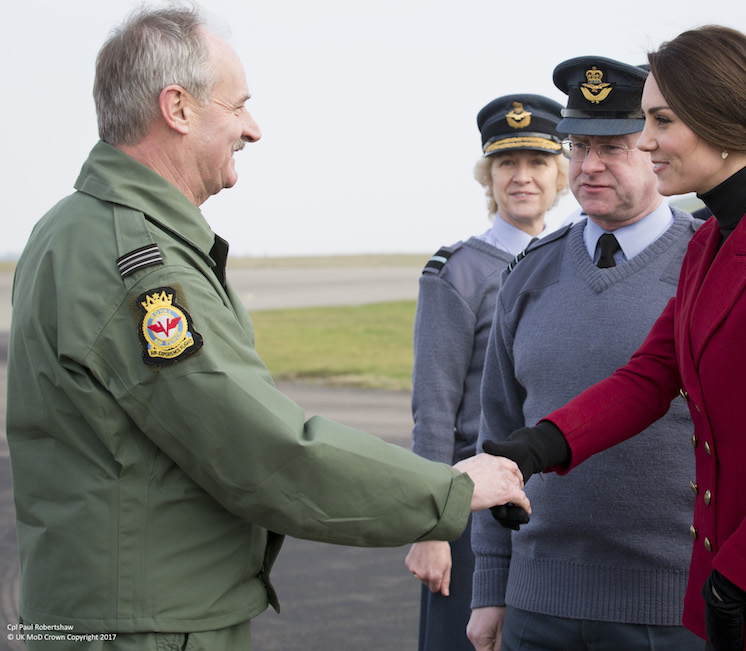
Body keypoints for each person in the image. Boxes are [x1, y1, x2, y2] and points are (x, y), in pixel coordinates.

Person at [5, 7, 530, 650]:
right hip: (148, 626)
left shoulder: (72, 225)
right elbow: (262, 452)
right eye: (239, 106)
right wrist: (447, 490)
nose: (252, 129)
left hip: (111, 609)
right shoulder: (141, 268)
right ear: (178, 108)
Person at [483, 26, 746, 651]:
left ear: (721, 123)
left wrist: (737, 580)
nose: (646, 142)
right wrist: (531, 449)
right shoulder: (712, 240)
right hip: (730, 584)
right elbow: (648, 378)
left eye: (661, 121)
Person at [467, 57, 704, 651]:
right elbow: (497, 430)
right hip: (537, 603)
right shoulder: (530, 272)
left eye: (614, 147)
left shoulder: (710, 265)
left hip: (673, 606)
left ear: (654, 148)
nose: (589, 166)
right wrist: (491, 587)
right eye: (577, 146)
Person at [405, 94, 568, 650]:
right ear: (489, 176)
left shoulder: (573, 259)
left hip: (552, 503)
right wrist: (433, 526)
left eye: (537, 163)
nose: (522, 178)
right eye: (506, 164)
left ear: (560, 174)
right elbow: (434, 408)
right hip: (473, 508)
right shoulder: (458, 272)